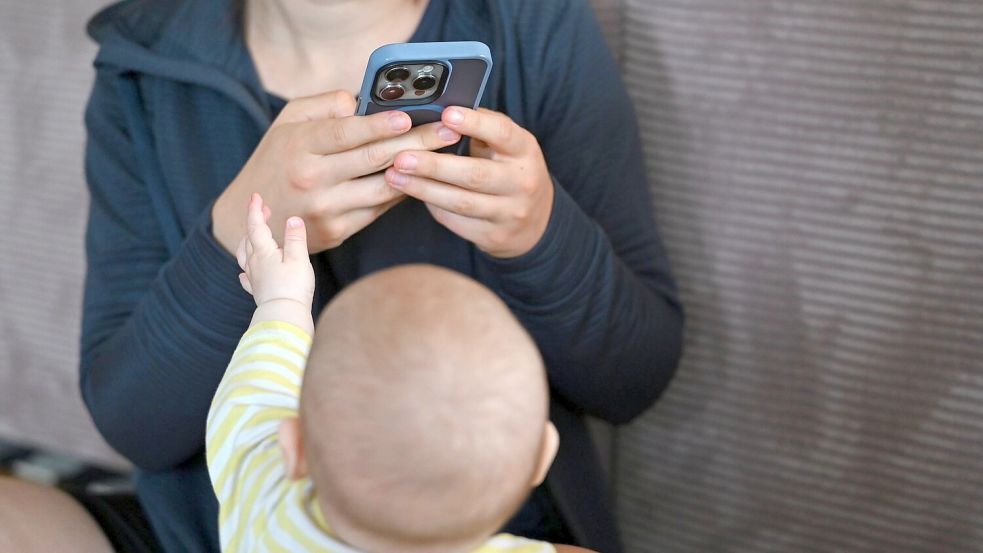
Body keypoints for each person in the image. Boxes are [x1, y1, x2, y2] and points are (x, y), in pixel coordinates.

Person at [0, 0, 683, 551]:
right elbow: (135, 424)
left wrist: (539, 234)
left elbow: (634, 377)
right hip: (220, 528)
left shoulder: (530, 23)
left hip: (467, 536)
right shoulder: (144, 57)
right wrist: (236, 232)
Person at [207, 193, 594, 553]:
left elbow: (258, 392)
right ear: (541, 458)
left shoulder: (265, 497)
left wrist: (282, 299)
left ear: (294, 449)